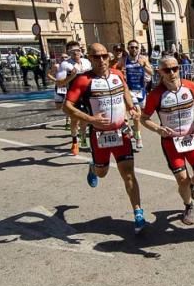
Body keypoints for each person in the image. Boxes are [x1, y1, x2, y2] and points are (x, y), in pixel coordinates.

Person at [63, 42, 147, 235]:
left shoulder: (118, 75)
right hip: (99, 135)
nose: (100, 60)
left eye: (103, 56)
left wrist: (132, 108)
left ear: (109, 57)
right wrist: (90, 119)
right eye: (95, 57)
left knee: (128, 174)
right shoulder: (83, 80)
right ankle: (93, 167)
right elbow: (66, 107)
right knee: (102, 173)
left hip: (121, 132)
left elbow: (125, 91)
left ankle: (138, 212)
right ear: (89, 59)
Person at [141, 55, 194, 226]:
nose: (172, 72)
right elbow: (144, 118)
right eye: (167, 70)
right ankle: (188, 206)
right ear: (160, 72)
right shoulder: (156, 95)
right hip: (171, 143)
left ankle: (192, 184)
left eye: (175, 68)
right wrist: (157, 129)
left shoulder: (190, 86)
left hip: (191, 138)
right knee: (181, 179)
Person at [120, 39, 154, 152]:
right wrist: (121, 73)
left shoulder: (143, 59)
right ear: (128, 49)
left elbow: (152, 72)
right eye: (131, 47)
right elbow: (114, 69)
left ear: (138, 48)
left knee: (142, 116)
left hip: (141, 90)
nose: (133, 49)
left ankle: (135, 129)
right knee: (137, 114)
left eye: (135, 47)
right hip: (129, 91)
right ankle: (139, 138)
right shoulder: (124, 60)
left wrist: (144, 66)